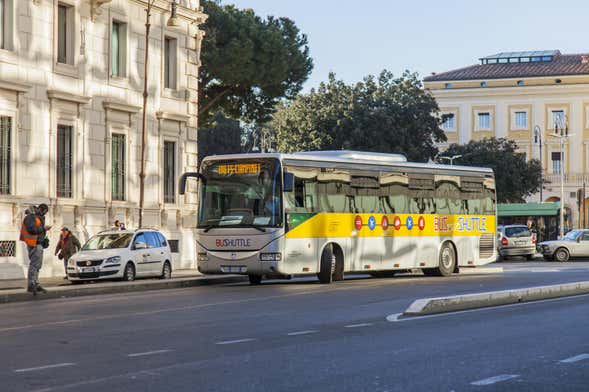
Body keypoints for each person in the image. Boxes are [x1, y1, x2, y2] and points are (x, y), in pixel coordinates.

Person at [19, 204, 51, 295]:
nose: (45, 214)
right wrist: (43, 228)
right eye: (44, 212)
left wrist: (44, 232)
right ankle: (31, 284)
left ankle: (35, 283)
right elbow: (32, 229)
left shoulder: (37, 217)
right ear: (41, 209)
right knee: (34, 264)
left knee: (38, 265)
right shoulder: (31, 217)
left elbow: (37, 230)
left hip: (38, 243)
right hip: (34, 244)